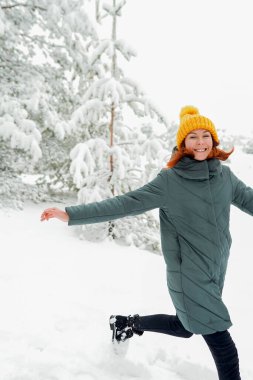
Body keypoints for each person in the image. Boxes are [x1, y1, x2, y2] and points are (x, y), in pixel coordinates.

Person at [40, 105, 252, 380]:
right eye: (193, 137)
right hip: (188, 273)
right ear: (183, 144)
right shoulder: (170, 181)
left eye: (205, 135)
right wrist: (70, 214)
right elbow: (126, 204)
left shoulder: (224, 177)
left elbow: (249, 199)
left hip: (215, 270)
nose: (200, 142)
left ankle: (125, 324)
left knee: (186, 326)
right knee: (223, 346)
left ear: (213, 140)